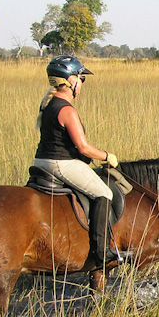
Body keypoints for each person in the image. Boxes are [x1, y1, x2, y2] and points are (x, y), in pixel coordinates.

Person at [33, 55, 121, 266]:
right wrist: (107, 156)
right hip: (60, 163)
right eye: (82, 79)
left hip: (41, 162)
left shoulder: (49, 104)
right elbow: (83, 147)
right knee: (104, 192)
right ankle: (101, 252)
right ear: (71, 81)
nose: (82, 84)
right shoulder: (66, 110)